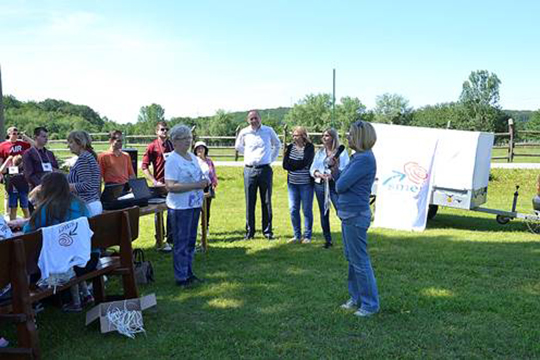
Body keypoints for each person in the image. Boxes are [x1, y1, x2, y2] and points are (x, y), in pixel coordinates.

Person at [23, 172, 95, 312]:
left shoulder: (46, 208)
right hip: (87, 257)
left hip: (64, 263)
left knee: (29, 255)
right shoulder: (81, 204)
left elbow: (28, 233)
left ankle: (34, 300)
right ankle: (82, 295)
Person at [334, 120, 379, 317]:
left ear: (360, 136)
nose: (348, 137)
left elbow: (341, 185)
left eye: (351, 134)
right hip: (349, 215)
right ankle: (357, 298)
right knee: (352, 259)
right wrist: (335, 169)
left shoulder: (364, 159)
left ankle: (369, 305)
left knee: (359, 261)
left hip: (355, 215)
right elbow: (340, 179)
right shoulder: (358, 157)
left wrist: (339, 177)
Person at [165, 125, 208, 287]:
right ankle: (181, 277)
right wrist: (196, 185)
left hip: (194, 204)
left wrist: (204, 182)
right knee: (181, 242)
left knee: (190, 242)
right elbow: (170, 186)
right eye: (184, 139)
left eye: (190, 138)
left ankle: (189, 273)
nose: (188, 142)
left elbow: (199, 175)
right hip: (180, 207)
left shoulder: (192, 157)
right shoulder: (172, 160)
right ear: (175, 141)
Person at [235, 110, 281, 240]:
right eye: (251, 119)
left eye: (256, 118)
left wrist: (270, 159)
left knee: (266, 201)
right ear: (248, 120)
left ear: (260, 118)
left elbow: (277, 144)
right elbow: (238, 146)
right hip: (249, 170)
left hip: (265, 169)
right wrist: (248, 154)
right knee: (250, 201)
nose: (254, 121)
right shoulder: (244, 132)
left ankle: (267, 231)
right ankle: (250, 232)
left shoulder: (268, 130)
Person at [310, 128, 350, 248]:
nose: (324, 138)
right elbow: (312, 168)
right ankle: (328, 240)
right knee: (324, 212)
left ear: (333, 137)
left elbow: (346, 168)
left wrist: (334, 173)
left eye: (327, 135)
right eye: (323, 135)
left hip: (334, 185)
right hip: (320, 184)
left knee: (340, 210)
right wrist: (318, 174)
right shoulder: (320, 152)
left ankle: (349, 237)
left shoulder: (341, 152)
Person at [142, 121, 174, 252]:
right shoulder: (152, 146)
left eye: (166, 129)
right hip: (159, 185)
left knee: (172, 211)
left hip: (172, 184)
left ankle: (171, 240)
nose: (164, 132)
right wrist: (154, 182)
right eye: (162, 129)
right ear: (156, 132)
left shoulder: (172, 145)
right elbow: (144, 166)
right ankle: (159, 240)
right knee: (158, 212)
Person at [282, 126, 315, 244]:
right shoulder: (290, 147)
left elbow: (305, 162)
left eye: (296, 135)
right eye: (293, 135)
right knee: (293, 209)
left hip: (306, 184)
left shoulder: (309, 148)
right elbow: (285, 165)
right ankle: (297, 235)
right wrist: (296, 164)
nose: (294, 137)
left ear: (303, 136)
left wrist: (293, 164)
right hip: (292, 184)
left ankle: (307, 236)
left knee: (306, 210)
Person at [67, 131, 102, 217]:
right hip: (90, 204)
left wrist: (65, 186)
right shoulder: (88, 156)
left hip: (87, 206)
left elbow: (87, 185)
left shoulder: (84, 159)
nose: (68, 146)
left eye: (71, 142)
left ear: (80, 143)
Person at [0, 126, 33, 215]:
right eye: (14, 133)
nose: (16, 135)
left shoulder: (22, 144)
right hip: (9, 171)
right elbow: (1, 160)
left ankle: (27, 214)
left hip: (22, 170)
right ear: (9, 134)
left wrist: (25, 137)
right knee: (9, 194)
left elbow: (34, 145)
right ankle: (7, 214)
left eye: (17, 133)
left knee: (24, 192)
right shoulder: (3, 145)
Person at [23, 127, 59, 191]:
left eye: (47, 137)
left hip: (53, 188)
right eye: (44, 136)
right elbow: (28, 175)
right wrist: (42, 185)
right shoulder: (28, 154)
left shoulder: (50, 154)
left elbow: (56, 169)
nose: (46, 139)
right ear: (35, 137)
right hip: (37, 190)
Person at [193, 141, 218, 232]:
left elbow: (213, 173)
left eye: (202, 148)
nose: (200, 150)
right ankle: (194, 227)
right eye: (198, 148)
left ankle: (205, 227)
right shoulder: (193, 161)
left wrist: (214, 183)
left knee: (207, 208)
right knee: (196, 208)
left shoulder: (209, 161)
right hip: (196, 187)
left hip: (208, 187)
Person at [0, 155, 30, 220]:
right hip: (12, 192)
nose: (18, 164)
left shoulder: (24, 169)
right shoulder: (11, 169)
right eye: (16, 162)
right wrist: (8, 160)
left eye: (20, 162)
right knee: (13, 209)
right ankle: (13, 224)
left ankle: (28, 223)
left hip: (23, 192)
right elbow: (1, 170)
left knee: (25, 208)